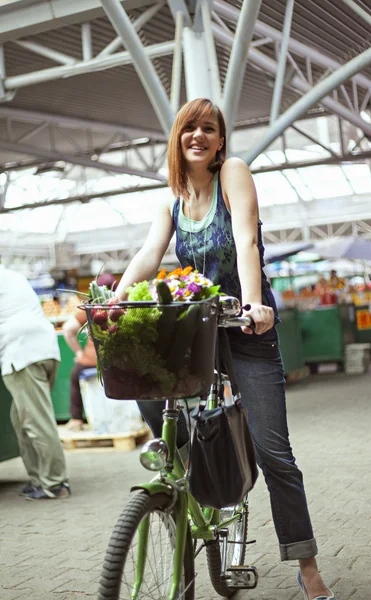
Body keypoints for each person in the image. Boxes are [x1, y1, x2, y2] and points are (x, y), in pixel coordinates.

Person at [113, 99, 334, 600]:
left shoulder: (232, 172)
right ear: (178, 137)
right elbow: (150, 253)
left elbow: (246, 237)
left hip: (245, 329)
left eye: (208, 129)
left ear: (219, 141)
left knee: (275, 453)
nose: (199, 135)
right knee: (150, 395)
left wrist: (254, 303)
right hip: (198, 332)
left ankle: (307, 564)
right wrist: (117, 297)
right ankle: (204, 476)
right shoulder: (173, 199)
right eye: (190, 127)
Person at [0, 266, 70, 499]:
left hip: (21, 353)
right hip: (45, 349)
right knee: (20, 418)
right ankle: (39, 479)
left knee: (36, 421)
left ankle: (55, 483)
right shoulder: (13, 275)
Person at [62, 272, 116, 430]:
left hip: (92, 360)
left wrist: (79, 353)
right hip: (118, 359)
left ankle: (76, 419)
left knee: (74, 376)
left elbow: (67, 329)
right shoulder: (121, 301)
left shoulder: (90, 307)